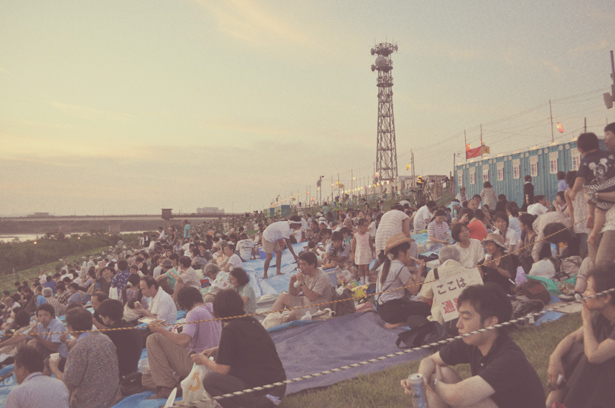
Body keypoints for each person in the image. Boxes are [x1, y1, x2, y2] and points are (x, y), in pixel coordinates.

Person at [401, 283, 544, 407]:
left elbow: (457, 397)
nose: (458, 325)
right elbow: (430, 360)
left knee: (472, 400)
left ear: (490, 322)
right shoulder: (472, 341)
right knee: (439, 370)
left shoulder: (509, 358)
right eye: (459, 316)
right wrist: (421, 378)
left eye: (466, 318)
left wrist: (430, 383)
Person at [195, 289, 287, 408]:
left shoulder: (230, 330)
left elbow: (222, 370)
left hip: (262, 394)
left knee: (210, 380)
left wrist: (203, 360)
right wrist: (216, 349)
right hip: (278, 388)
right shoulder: (252, 321)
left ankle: (248, 404)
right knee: (219, 356)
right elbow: (247, 345)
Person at [546, 265, 615, 408]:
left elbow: (594, 356)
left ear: (606, 297)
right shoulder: (603, 317)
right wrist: (555, 357)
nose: (584, 294)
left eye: (589, 289)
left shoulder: (594, 319)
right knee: (572, 350)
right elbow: (572, 338)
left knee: (586, 357)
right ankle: (552, 403)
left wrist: (586, 320)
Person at [142, 286, 221, 399]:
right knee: (146, 377)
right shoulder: (211, 307)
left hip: (199, 362)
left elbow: (184, 341)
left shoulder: (193, 313)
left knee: (153, 339)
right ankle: (179, 384)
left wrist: (160, 330)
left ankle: (166, 388)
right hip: (213, 361)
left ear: (184, 303)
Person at [49, 307, 121, 408]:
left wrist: (54, 367)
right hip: (113, 397)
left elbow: (69, 382)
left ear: (70, 328)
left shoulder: (80, 348)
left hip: (91, 403)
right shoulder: (105, 338)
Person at [420, 246, 483, 332]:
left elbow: (425, 298)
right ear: (458, 260)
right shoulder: (470, 272)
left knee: (413, 318)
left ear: (440, 261)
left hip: (441, 322)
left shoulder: (434, 273)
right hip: (468, 320)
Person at [375, 233, 430, 329]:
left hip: (381, 308)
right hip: (392, 311)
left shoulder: (386, 264)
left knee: (415, 305)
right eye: (408, 250)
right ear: (401, 252)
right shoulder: (400, 267)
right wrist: (420, 270)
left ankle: (399, 322)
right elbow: (415, 291)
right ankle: (399, 323)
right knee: (428, 309)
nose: (410, 252)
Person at [568, 132, 615, 245]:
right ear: (598, 145)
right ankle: (592, 225)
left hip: (595, 189)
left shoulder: (585, 160)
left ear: (580, 150)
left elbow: (579, 179)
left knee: (593, 200)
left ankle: (593, 230)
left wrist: (573, 191)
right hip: (611, 185)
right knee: (599, 208)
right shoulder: (608, 154)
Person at [269, 251, 334, 320]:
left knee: (294, 313)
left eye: (304, 264)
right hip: (305, 302)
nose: (301, 267)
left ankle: (277, 325)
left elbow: (311, 298)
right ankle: (269, 321)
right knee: (283, 297)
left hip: (318, 307)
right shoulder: (305, 274)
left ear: (312, 265)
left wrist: (302, 282)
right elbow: (293, 293)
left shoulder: (322, 277)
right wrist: (291, 283)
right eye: (300, 264)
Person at [96, 299, 142, 379]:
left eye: (101, 316)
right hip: (133, 368)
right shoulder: (131, 326)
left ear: (107, 318)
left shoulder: (109, 334)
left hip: (120, 374)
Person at [564, 170, 589, 258]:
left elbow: (570, 209)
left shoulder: (567, 192)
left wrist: (573, 223)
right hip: (589, 215)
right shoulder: (585, 188)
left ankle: (582, 261)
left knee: (583, 242)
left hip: (578, 218)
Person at [350, 218, 374, 284]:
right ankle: (362, 281)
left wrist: (372, 252)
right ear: (359, 227)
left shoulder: (368, 235)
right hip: (359, 253)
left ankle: (367, 280)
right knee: (360, 268)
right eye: (365, 226)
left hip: (366, 253)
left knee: (366, 268)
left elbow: (371, 244)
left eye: (367, 226)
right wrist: (352, 253)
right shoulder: (356, 235)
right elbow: (353, 245)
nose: (366, 228)